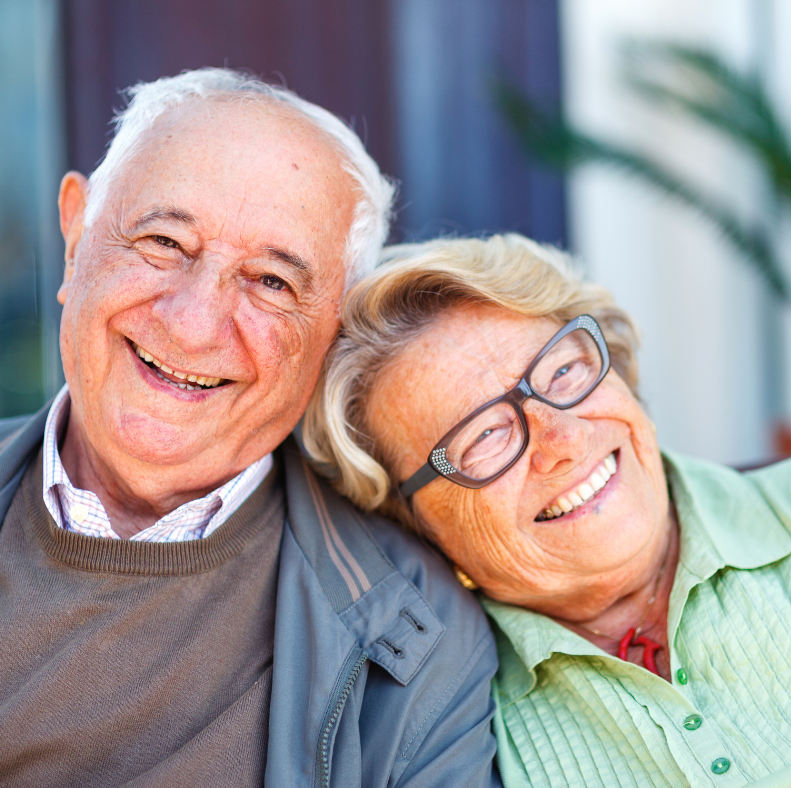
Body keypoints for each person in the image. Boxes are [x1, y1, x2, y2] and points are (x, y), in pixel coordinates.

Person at [0, 69, 500, 788]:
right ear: (76, 238)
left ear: (334, 332)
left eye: (272, 282)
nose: (193, 323)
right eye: (164, 241)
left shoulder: (417, 639)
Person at [305, 233, 791, 787]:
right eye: (484, 436)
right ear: (418, 522)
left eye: (561, 372)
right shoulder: (460, 717)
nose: (563, 439)